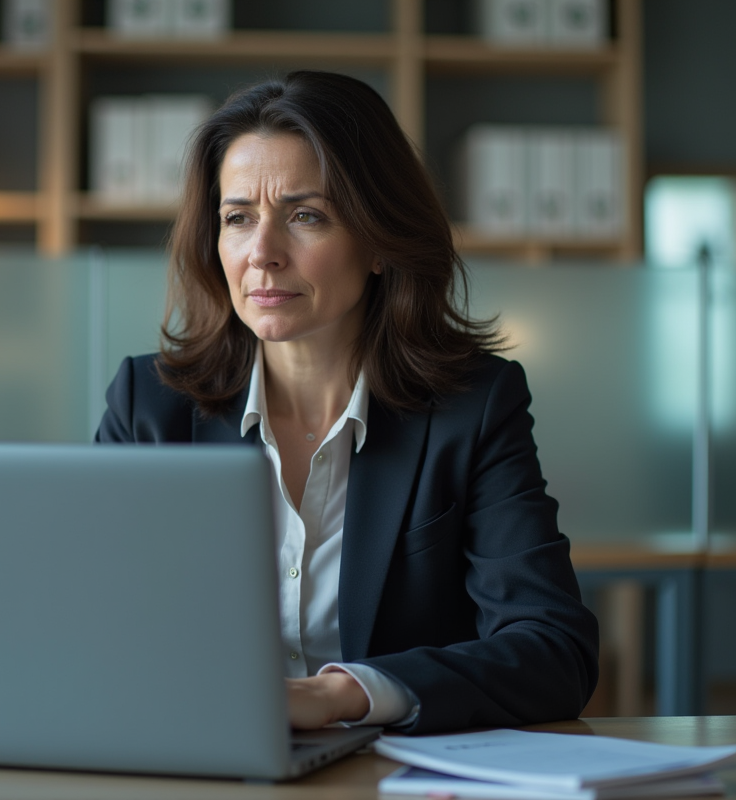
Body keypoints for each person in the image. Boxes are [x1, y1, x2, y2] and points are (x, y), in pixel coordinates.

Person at [95, 70, 598, 734]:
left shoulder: (473, 408)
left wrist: (343, 696)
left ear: (379, 243)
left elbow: (554, 651)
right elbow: (91, 628)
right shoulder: (147, 407)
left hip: (390, 772)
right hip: (199, 761)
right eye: (238, 218)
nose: (262, 254)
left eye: (307, 215)